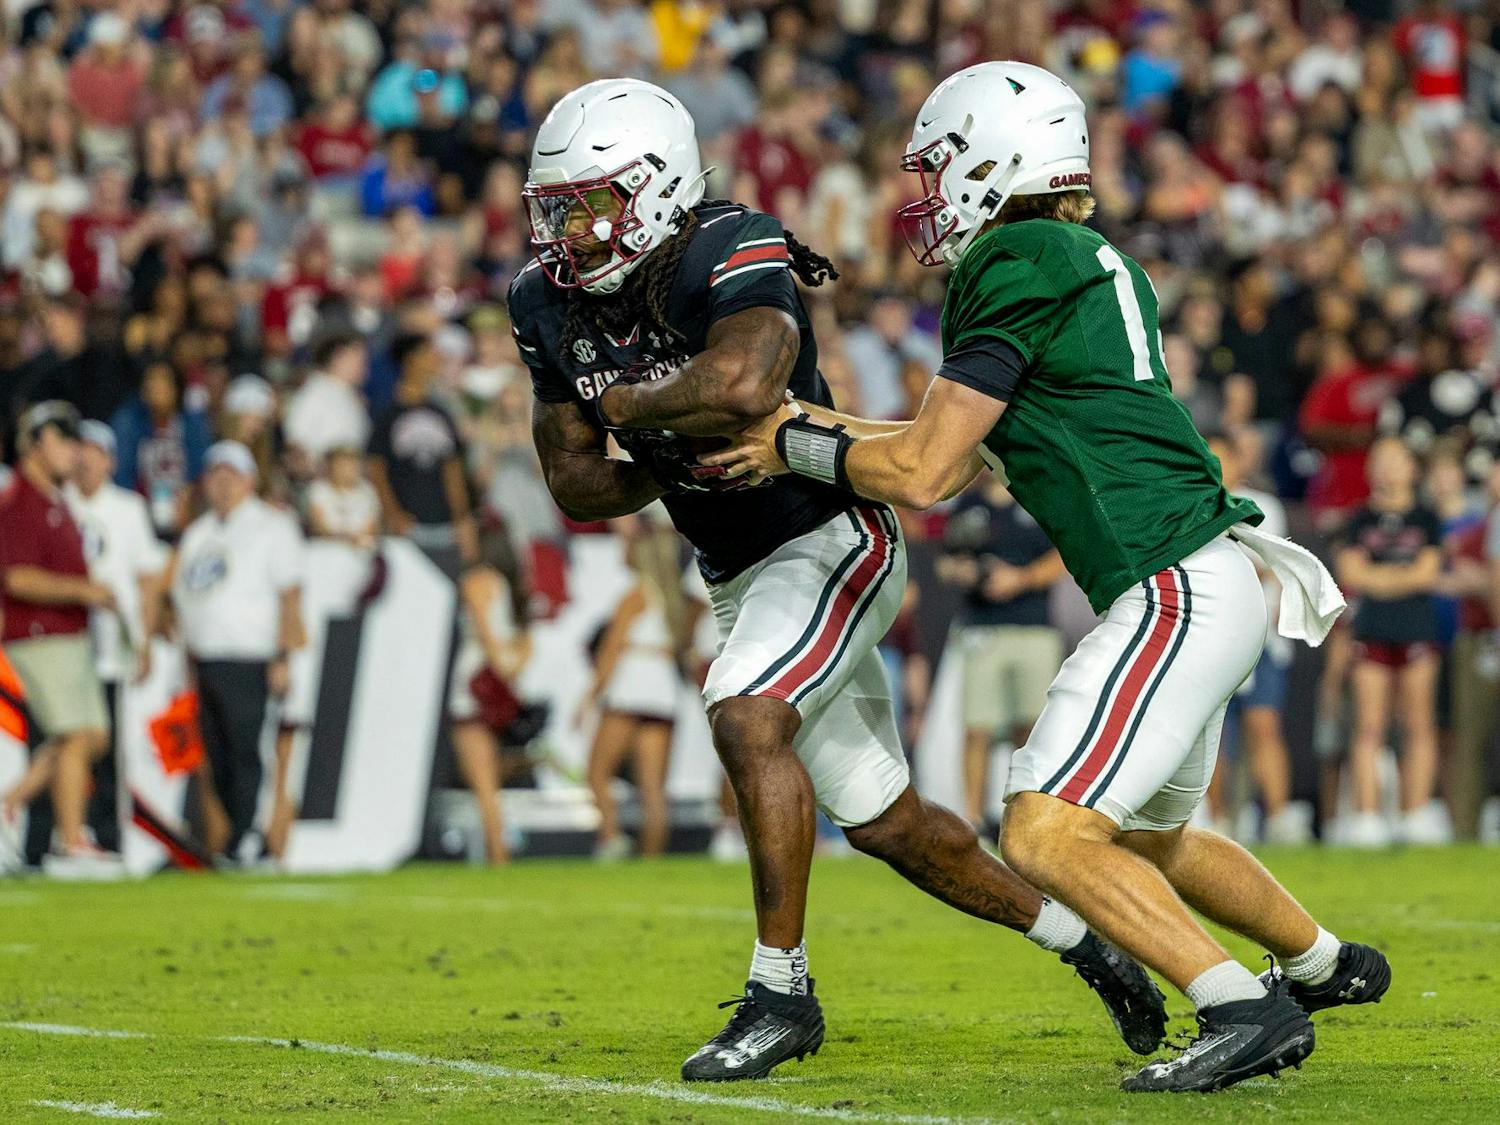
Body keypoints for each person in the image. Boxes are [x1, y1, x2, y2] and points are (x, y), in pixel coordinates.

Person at [705, 62, 1389, 1094]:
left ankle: (1241, 1007)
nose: (927, 197)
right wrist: (806, 429)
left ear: (993, 159)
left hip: (1175, 585)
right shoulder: (1077, 255)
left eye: (940, 169)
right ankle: (1323, 961)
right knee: (1151, 835)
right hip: (1208, 574)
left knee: (1043, 827)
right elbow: (959, 445)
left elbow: (929, 472)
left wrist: (793, 449)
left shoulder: (1017, 255)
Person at [511, 76, 1166, 1083]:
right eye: (554, 208)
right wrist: (665, 443)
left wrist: (633, 405)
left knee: (743, 709)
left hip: (831, 537)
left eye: (585, 204)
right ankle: (1089, 947)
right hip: (735, 569)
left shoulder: (730, 243)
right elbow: (578, 485)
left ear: (651, 189)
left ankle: (782, 993)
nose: (567, 230)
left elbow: (746, 382)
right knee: (892, 826)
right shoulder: (539, 301)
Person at [168, 441, 306, 864]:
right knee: (218, 754)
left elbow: (289, 595)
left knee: (248, 750)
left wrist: (283, 656)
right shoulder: (199, 533)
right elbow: (184, 597)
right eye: (216, 475)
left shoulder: (271, 525)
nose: (223, 484)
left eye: (232, 475)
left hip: (250, 656)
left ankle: (252, 835)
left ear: (249, 480)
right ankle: (235, 836)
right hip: (206, 657)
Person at [0, 403, 116, 874]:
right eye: (62, 440)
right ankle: (70, 842)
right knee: (73, 735)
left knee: (92, 736)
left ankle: (13, 802)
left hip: (65, 633)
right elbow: (17, 579)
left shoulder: (52, 498)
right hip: (39, 632)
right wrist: (82, 590)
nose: (74, 451)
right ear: (34, 444)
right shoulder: (21, 502)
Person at [939, 476, 1064, 830]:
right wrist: (964, 572)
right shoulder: (969, 503)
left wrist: (1021, 578)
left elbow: (1065, 555)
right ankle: (973, 820)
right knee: (977, 727)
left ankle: (1026, 816)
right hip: (982, 627)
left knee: (1031, 728)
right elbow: (946, 561)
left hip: (1034, 626)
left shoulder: (1037, 495)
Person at [1337, 437, 1445, 847]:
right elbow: (1352, 572)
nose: (1386, 468)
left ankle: (1415, 812)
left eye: (1395, 461)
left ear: (1412, 468)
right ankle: (1367, 817)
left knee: (1419, 724)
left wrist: (1380, 578)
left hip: (1417, 627)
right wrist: (1401, 578)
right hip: (1372, 628)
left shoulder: (1426, 516)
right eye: (1379, 460)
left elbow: (1428, 574)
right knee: (1369, 727)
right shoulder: (1360, 519)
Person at [65, 420, 166, 853]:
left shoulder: (127, 508)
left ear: (110, 460)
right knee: (52, 739)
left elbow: (147, 580)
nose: (86, 458)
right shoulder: (55, 502)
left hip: (108, 646)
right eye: (79, 450)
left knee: (106, 747)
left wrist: (143, 640)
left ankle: (106, 837)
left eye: (95, 451)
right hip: (59, 642)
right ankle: (48, 837)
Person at [1203, 430, 1303, 844]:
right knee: (1210, 734)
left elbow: (1268, 561)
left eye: (1225, 456)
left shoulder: (1263, 506)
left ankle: (1278, 818)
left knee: (1264, 728)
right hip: (1208, 637)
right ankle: (1217, 821)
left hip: (1260, 636)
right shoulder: (1189, 504)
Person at [580, 516, 687, 860]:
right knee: (653, 788)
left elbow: (610, 652)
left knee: (597, 772)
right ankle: (652, 860)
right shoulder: (672, 597)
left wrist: (588, 699)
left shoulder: (635, 594)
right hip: (663, 689)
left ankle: (611, 839)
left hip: (632, 685)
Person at [447, 521, 532, 865]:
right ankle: (500, 851)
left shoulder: (476, 581)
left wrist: (500, 669)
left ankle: (499, 856)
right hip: (496, 686)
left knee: (482, 783)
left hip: (473, 686)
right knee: (489, 777)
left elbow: (486, 637)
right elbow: (521, 642)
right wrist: (510, 674)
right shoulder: (505, 584)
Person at [368, 331, 478, 569]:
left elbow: (453, 470)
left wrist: (462, 519)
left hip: (446, 528)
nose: (436, 359)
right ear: (410, 360)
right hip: (408, 527)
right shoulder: (386, 415)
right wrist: (392, 513)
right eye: (428, 353)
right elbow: (376, 470)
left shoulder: (441, 413)